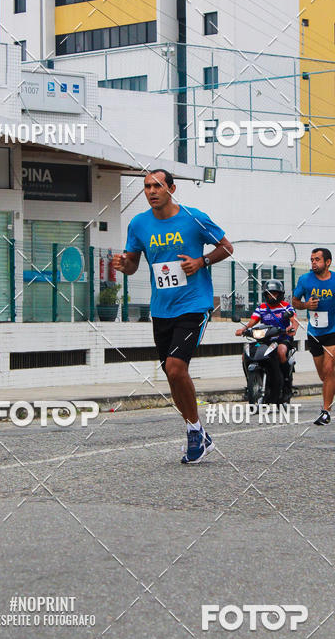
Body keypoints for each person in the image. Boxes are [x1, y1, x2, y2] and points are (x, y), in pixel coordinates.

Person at [113, 170, 233, 464]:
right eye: (146, 187)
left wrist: (201, 261)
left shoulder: (193, 218)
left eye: (157, 186)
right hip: (161, 309)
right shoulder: (139, 224)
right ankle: (197, 430)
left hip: (194, 305)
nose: (151, 191)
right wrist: (122, 264)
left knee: (176, 367)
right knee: (171, 372)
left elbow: (227, 247)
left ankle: (194, 433)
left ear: (171, 189)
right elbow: (132, 266)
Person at [292, 248, 335, 426]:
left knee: (328, 369)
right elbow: (295, 302)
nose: (314, 263)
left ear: (328, 262)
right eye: (312, 259)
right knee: (323, 374)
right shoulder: (304, 280)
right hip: (314, 332)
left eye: (317, 260)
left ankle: (326, 411)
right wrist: (305, 305)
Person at [235, 279, 298, 399]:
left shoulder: (286, 307)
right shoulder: (262, 308)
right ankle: (250, 383)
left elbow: (294, 321)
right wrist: (243, 329)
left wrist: (292, 328)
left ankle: (286, 384)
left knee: (281, 351)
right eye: (269, 293)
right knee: (246, 354)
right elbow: (252, 321)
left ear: (280, 294)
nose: (272, 296)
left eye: (274, 293)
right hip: (266, 339)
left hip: (282, 337)